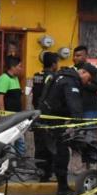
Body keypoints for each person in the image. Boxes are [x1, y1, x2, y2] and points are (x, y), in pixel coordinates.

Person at [38, 63, 93, 195]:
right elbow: (74, 105)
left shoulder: (60, 76)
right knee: (62, 154)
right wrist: (78, 123)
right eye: (89, 78)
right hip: (55, 122)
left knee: (53, 152)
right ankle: (62, 188)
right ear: (83, 73)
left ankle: (48, 178)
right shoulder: (70, 82)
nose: (88, 82)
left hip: (47, 119)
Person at [31, 52, 59, 182]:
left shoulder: (37, 76)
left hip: (36, 114)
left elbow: (33, 95)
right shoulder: (52, 77)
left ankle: (39, 171)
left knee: (39, 145)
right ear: (53, 64)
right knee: (49, 146)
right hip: (47, 115)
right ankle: (47, 173)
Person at [72, 45, 97, 119]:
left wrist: (86, 84)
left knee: (89, 130)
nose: (75, 58)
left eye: (78, 56)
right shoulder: (72, 70)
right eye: (74, 56)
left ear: (86, 56)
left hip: (90, 110)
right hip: (77, 109)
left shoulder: (92, 69)